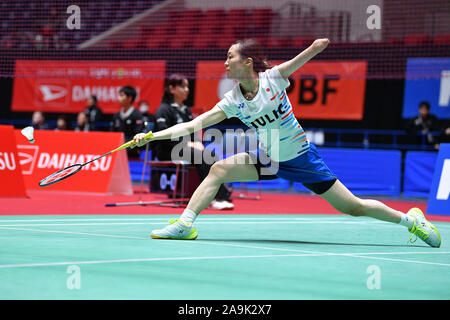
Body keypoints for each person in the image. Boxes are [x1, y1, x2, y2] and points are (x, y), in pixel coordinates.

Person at [131, 38, 441, 247]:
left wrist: (318, 45)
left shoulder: (274, 79)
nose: (225, 63)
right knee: (219, 170)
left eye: (230, 57)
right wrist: (151, 135)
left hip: (302, 159)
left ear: (247, 61)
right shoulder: (232, 100)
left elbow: (304, 56)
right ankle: (186, 224)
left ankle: (409, 220)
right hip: (268, 158)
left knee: (354, 207)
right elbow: (195, 124)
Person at [152, 74, 234, 210]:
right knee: (202, 156)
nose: (186, 90)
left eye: (187, 87)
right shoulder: (163, 110)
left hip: (186, 150)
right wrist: (186, 144)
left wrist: (198, 142)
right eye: (182, 86)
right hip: (168, 150)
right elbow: (164, 135)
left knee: (210, 155)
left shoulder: (186, 110)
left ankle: (221, 192)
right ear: (172, 89)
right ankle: (216, 197)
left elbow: (194, 130)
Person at [111, 86, 144, 159]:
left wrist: (124, 146)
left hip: (132, 153)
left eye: (122, 95)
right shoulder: (116, 116)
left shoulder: (137, 115)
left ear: (129, 98)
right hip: (117, 152)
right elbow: (112, 134)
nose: (118, 98)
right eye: (119, 95)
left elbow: (137, 134)